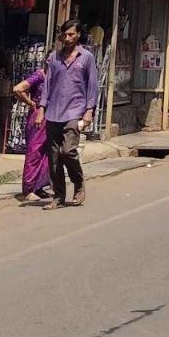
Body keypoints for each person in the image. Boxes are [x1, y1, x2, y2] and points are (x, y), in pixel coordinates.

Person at [40, 19, 98, 209]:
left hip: (74, 111)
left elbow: (92, 85)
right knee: (54, 157)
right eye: (65, 35)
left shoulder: (86, 57)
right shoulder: (54, 58)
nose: (67, 38)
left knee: (68, 151)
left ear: (78, 35)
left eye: (71, 34)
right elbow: (47, 85)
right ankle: (58, 196)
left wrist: (89, 111)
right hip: (53, 112)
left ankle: (78, 183)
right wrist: (41, 109)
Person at [11, 62, 53, 205]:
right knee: (34, 152)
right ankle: (28, 190)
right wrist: (31, 103)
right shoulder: (39, 75)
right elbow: (18, 89)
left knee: (46, 152)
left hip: (51, 116)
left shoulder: (54, 76)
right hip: (38, 117)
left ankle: (39, 186)